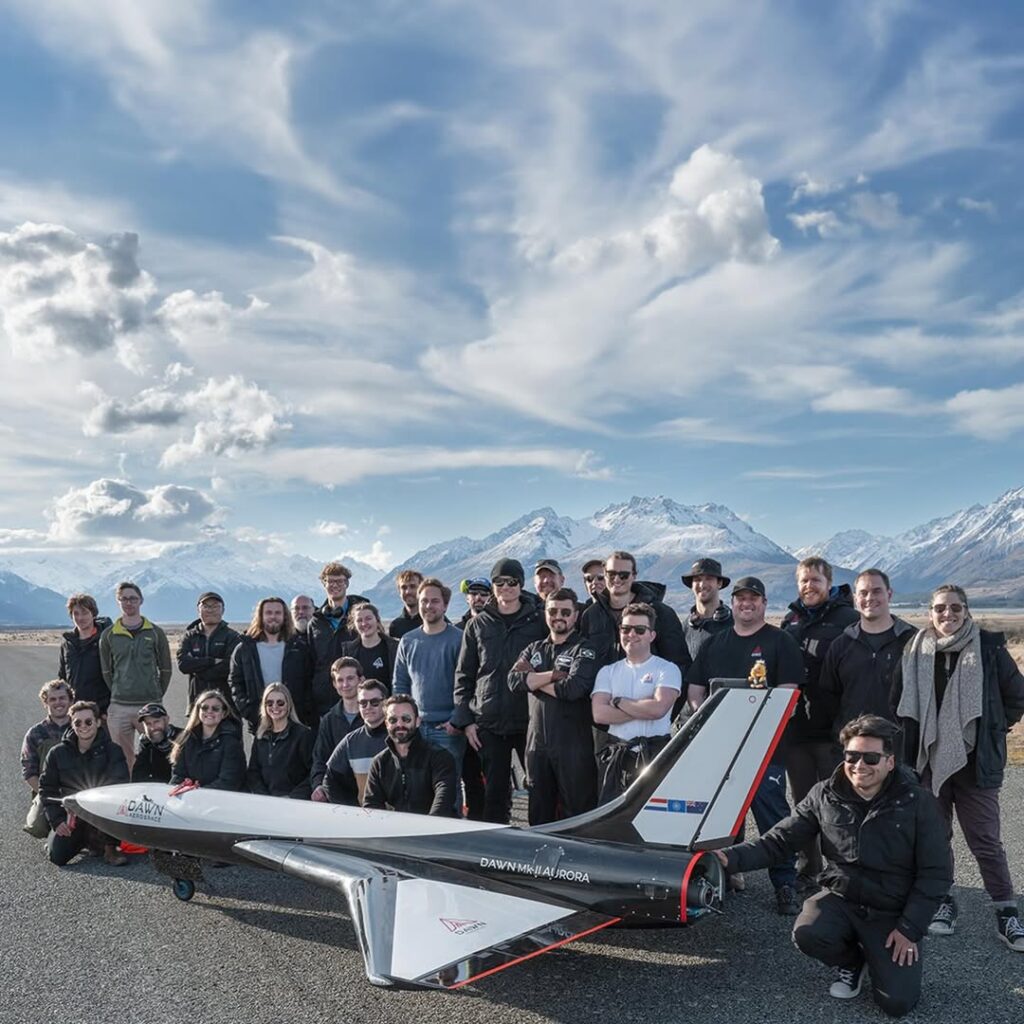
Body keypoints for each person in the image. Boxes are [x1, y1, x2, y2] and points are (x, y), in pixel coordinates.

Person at [715, 715, 951, 1017]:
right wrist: (731, 857)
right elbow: (780, 841)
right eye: (852, 756)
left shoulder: (919, 802)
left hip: (892, 911)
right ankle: (852, 963)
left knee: (897, 1003)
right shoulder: (824, 794)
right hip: (842, 898)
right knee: (808, 932)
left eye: (871, 757)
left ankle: (879, 953)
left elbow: (937, 874)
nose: (859, 765)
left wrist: (910, 928)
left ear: (890, 762)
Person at [893, 583, 1024, 950]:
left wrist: (992, 730)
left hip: (976, 764)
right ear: (929, 612)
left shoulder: (990, 649)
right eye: (939, 608)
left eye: (954, 608)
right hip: (928, 762)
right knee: (937, 839)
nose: (947, 615)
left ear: (966, 611)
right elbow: (898, 703)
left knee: (985, 841)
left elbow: (1017, 697)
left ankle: (1006, 912)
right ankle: (944, 902)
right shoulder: (915, 651)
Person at [686, 576, 805, 915]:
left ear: (764, 604)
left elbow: (788, 695)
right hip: (721, 747)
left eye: (754, 598)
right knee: (719, 818)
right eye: (740, 598)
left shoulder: (780, 642)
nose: (746, 603)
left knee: (772, 817)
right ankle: (722, 875)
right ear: (733, 603)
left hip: (765, 749)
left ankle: (785, 884)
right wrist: (708, 718)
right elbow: (695, 691)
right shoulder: (715, 643)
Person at [781, 557, 859, 892]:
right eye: (803, 581)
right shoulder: (791, 621)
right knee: (803, 804)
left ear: (829, 583)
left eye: (815, 580)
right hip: (797, 731)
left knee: (839, 804)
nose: (808, 587)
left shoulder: (848, 620)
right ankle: (807, 868)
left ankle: (840, 870)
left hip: (833, 731)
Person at [452, 558, 547, 823]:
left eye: (512, 582)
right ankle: (496, 850)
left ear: (521, 585)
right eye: (499, 582)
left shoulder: (537, 621)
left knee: (538, 788)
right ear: (493, 586)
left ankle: (540, 844)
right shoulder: (478, 624)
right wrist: (466, 721)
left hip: (530, 721)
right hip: (489, 723)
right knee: (493, 792)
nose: (506, 587)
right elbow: (464, 676)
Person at [509, 587, 599, 824]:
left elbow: (573, 689)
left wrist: (534, 680)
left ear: (576, 615)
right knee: (538, 815)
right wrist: (552, 675)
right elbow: (513, 681)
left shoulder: (584, 649)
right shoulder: (534, 648)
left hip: (573, 747)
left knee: (577, 814)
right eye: (553, 611)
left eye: (565, 612)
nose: (559, 616)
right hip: (537, 747)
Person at [591, 602, 681, 803]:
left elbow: (658, 709)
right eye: (626, 629)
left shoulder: (667, 669)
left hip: (656, 756)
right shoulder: (607, 672)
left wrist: (618, 701)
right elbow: (599, 714)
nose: (632, 634)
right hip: (618, 759)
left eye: (639, 629)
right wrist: (642, 706)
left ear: (652, 635)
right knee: (611, 820)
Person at [393, 578, 465, 813]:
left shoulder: (459, 639)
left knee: (448, 791)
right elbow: (401, 684)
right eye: (424, 601)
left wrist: (456, 719)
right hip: (417, 729)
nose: (428, 606)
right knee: (417, 789)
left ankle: (451, 840)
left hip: (449, 730)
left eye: (435, 601)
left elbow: (467, 683)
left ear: (445, 605)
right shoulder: (409, 640)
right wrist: (405, 720)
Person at [819, 569, 916, 735]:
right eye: (863, 593)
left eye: (877, 591)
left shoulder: (913, 642)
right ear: (856, 598)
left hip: (900, 747)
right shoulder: (841, 645)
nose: (870, 598)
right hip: (852, 747)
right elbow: (828, 696)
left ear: (889, 594)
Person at [39, 700, 130, 866]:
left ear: (98, 722)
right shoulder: (57, 753)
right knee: (57, 857)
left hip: (103, 813)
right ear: (72, 724)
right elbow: (47, 789)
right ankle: (84, 841)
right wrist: (57, 821)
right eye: (78, 722)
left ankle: (111, 846)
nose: (84, 726)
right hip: (72, 814)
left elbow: (120, 786)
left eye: (88, 721)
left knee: (115, 805)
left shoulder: (113, 750)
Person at [99, 581, 172, 773]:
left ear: (141, 601)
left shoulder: (155, 633)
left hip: (150, 705)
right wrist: (118, 689)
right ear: (118, 601)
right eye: (124, 599)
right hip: (119, 706)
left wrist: (155, 693)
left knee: (159, 752)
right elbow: (107, 671)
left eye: (133, 598)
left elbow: (165, 669)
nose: (129, 603)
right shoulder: (108, 635)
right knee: (123, 759)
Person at [580, 551, 689, 677]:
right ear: (605, 574)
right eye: (611, 574)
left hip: (648, 691)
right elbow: (585, 660)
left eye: (623, 575)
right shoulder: (591, 615)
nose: (616, 579)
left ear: (634, 575)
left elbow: (678, 663)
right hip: (602, 691)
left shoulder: (660, 613)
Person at [228, 597, 313, 733]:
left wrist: (304, 710)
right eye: (268, 613)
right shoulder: (245, 649)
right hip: (260, 722)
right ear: (260, 616)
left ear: (285, 616)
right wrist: (249, 711)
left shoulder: (298, 648)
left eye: (278, 613)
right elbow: (235, 682)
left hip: (295, 722)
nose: (273, 617)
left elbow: (309, 681)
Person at [363, 696, 457, 816]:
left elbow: (444, 799)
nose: (399, 724)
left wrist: (429, 829)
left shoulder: (440, 757)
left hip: (436, 830)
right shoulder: (380, 762)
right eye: (393, 720)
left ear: (417, 721)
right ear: (386, 723)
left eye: (406, 719)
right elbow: (371, 805)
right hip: (396, 830)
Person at [307, 561, 369, 721]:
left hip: (358, 698)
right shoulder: (315, 622)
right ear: (323, 584)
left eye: (339, 581)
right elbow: (312, 661)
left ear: (347, 583)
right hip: (324, 702)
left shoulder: (362, 617)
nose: (335, 585)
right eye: (330, 581)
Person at [454, 576, 490, 819]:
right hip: (466, 715)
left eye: (483, 594)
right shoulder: (456, 631)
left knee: (493, 778)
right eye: (474, 593)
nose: (478, 598)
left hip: (491, 715)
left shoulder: (495, 625)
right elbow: (459, 677)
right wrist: (464, 719)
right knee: (470, 777)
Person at [323, 678, 390, 804]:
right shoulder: (351, 741)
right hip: (363, 817)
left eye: (374, 702)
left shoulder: (398, 738)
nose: (368, 707)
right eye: (363, 703)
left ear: (385, 703)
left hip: (398, 817)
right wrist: (351, 811)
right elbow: (330, 780)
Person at [22, 680, 74, 838]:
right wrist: (52, 798)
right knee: (37, 826)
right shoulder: (35, 733)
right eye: (53, 699)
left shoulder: (81, 727)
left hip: (79, 789)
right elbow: (29, 773)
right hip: (48, 792)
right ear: (45, 702)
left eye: (62, 698)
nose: (58, 703)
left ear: (71, 701)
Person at [176, 591, 242, 714]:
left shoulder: (232, 637)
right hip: (197, 704)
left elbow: (229, 667)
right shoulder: (189, 636)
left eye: (215, 606)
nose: (210, 610)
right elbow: (183, 665)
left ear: (223, 610)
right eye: (206, 606)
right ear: (198, 610)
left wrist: (198, 671)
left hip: (226, 704)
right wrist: (212, 661)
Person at [246, 684, 315, 799]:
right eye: (269, 703)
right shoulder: (260, 736)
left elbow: (313, 772)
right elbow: (253, 773)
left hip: (295, 803)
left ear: (288, 705)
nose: (275, 707)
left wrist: (293, 797)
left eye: (280, 703)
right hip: (266, 802)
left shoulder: (303, 735)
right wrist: (264, 797)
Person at [310, 657, 365, 801]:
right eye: (340, 680)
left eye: (350, 678)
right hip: (337, 795)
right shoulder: (328, 720)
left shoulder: (375, 717)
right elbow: (320, 759)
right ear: (334, 684)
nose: (345, 684)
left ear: (361, 680)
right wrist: (318, 785)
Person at [168, 690, 246, 790]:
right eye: (204, 708)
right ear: (198, 711)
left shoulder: (231, 743)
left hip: (222, 800)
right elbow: (178, 776)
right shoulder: (185, 740)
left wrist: (199, 794)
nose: (209, 711)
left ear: (224, 713)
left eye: (216, 709)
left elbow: (228, 782)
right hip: (189, 800)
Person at [58, 594, 112, 716]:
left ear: (93, 614)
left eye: (85, 613)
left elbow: (117, 676)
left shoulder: (106, 641)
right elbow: (62, 676)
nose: (80, 618)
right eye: (76, 614)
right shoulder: (67, 644)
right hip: (75, 712)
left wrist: (110, 708)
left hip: (103, 712)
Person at [680, 558, 733, 661]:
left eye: (708, 579)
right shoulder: (684, 629)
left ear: (719, 583)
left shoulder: (736, 624)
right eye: (697, 579)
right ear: (691, 585)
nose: (702, 585)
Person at [341, 602, 398, 689]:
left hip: (387, 701)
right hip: (361, 702)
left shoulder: (394, 647)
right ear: (354, 624)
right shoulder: (349, 651)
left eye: (368, 619)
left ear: (377, 620)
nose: (364, 623)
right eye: (359, 620)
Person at [132, 702, 181, 783]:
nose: (153, 728)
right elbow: (139, 776)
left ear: (167, 719)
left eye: (156, 722)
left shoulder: (183, 737)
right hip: (157, 789)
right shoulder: (145, 742)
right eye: (148, 724)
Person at [388, 569, 424, 639]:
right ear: (399, 591)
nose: (408, 592)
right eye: (404, 587)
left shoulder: (435, 621)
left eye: (412, 586)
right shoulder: (396, 626)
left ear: (422, 589)